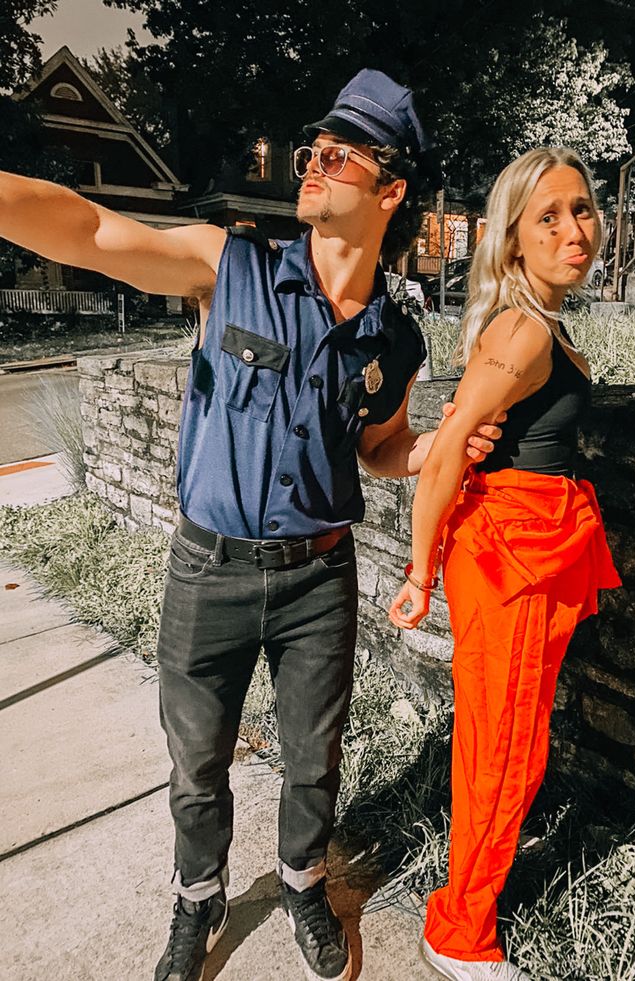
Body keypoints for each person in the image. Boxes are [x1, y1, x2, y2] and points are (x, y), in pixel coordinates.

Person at [0, 70, 503, 981]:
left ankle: (303, 883)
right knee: (196, 763)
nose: (314, 163)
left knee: (313, 759)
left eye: (343, 153)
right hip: (209, 572)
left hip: (320, 579)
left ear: (390, 190)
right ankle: (198, 900)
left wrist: (438, 445)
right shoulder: (224, 266)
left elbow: (377, 450)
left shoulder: (394, 336)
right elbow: (87, 228)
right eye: (316, 148)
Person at [389, 146, 621, 981]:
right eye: (549, 216)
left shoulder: (538, 321)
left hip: (531, 544)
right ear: (513, 239)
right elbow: (450, 449)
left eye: (583, 208)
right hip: (515, 554)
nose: (574, 229)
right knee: (505, 748)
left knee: (504, 739)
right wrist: (417, 572)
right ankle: (458, 933)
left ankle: (463, 907)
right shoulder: (523, 327)